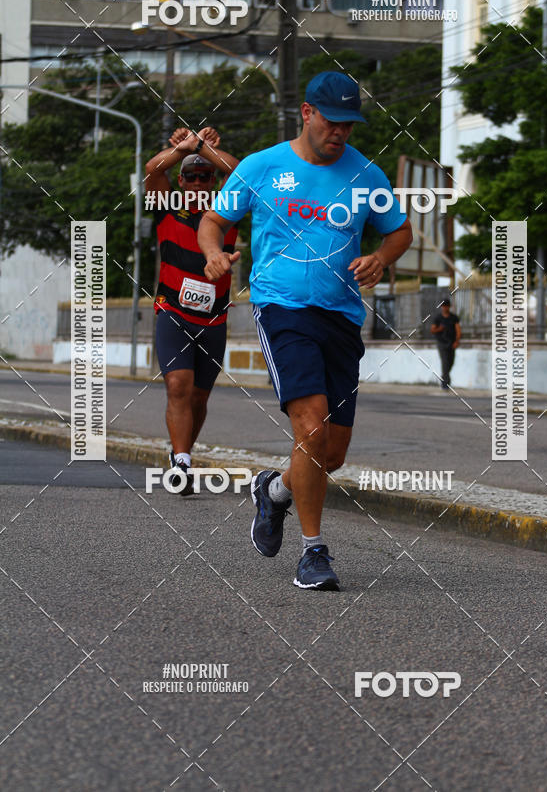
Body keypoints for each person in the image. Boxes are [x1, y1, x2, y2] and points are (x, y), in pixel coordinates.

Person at [198, 71, 412, 590]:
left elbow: (400, 230)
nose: (341, 133)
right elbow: (213, 221)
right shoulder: (262, 167)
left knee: (330, 454)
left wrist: (381, 258)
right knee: (311, 428)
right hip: (282, 306)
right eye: (333, 122)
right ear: (308, 113)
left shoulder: (366, 175)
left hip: (341, 314)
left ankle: (273, 492)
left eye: (350, 125)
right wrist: (213, 254)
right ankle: (313, 552)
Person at [145, 126, 239, 495]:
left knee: (199, 396)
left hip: (214, 317)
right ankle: (181, 462)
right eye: (191, 176)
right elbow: (153, 171)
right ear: (182, 181)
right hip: (173, 312)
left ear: (213, 181)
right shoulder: (167, 206)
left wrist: (201, 147)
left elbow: (242, 174)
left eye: (205, 176)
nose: (198, 181)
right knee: (178, 386)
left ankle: (184, 449)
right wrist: (184, 149)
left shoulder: (226, 212)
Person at [430, 298, 461, 389]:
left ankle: (444, 376)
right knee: (445, 362)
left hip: (451, 343)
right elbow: (432, 330)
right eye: (443, 306)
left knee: (451, 362)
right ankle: (445, 383)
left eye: (446, 306)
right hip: (441, 343)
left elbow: (458, 330)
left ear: (449, 307)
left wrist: (457, 341)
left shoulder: (454, 318)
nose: (444, 308)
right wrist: (440, 329)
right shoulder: (438, 318)